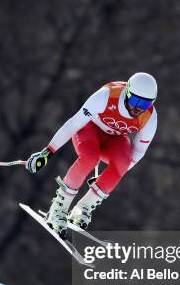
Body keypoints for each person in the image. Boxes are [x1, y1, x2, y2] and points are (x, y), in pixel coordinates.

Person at [25, 72, 158, 238]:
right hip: (89, 130)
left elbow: (137, 153)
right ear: (127, 93)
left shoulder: (149, 118)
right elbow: (74, 123)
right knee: (89, 158)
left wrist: (107, 177)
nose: (138, 108)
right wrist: (49, 151)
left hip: (114, 140)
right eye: (136, 101)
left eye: (145, 104)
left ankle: (82, 210)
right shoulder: (106, 97)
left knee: (124, 162)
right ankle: (58, 209)